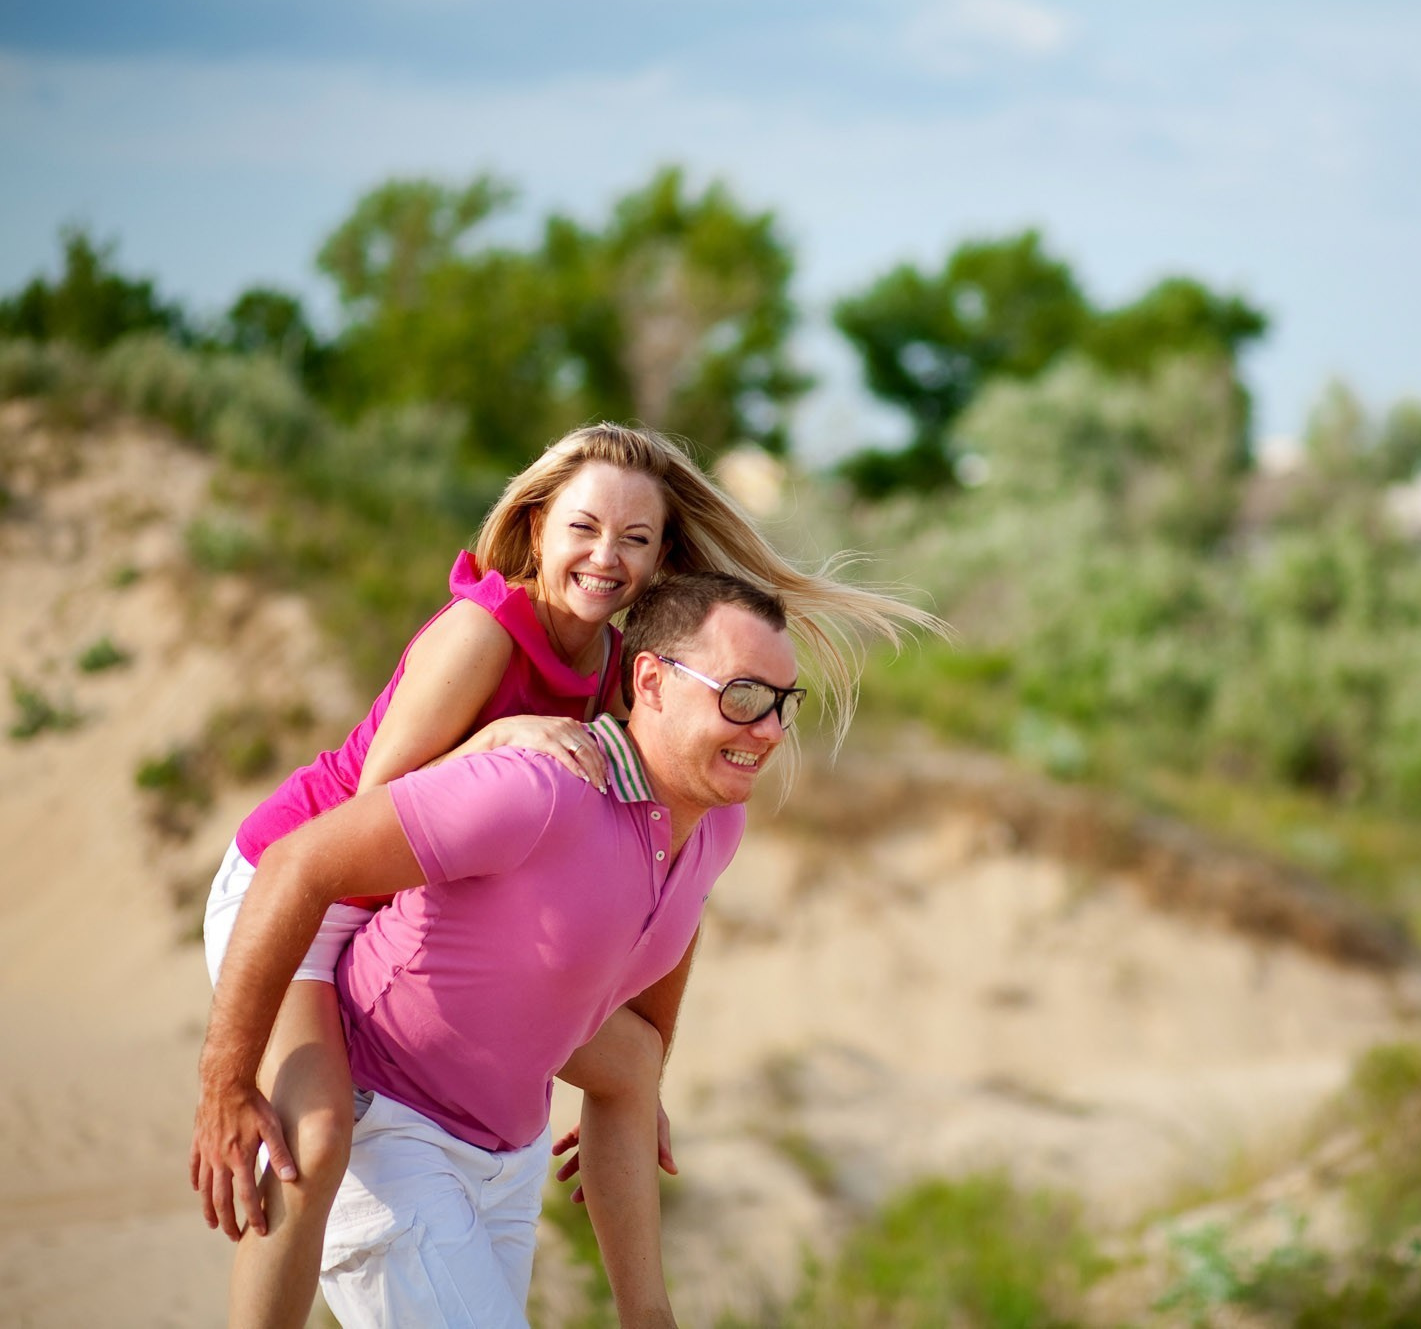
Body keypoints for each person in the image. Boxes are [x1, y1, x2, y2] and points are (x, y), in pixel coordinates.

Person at [195, 422, 931, 1328]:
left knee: (611, 1052)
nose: (606, 557)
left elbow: (664, 865)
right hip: (300, 877)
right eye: (584, 527)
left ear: (662, 556)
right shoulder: (483, 632)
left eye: (636, 539)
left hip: (410, 894)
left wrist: (639, 1070)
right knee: (314, 1136)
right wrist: (493, 741)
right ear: (538, 524)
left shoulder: (623, 668)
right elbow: (370, 811)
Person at [195, 573, 799, 1328]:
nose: (769, 729)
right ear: (651, 680)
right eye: (742, 696)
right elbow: (293, 865)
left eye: (783, 703)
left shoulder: (714, 825)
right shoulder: (538, 789)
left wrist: (649, 1312)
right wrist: (225, 1079)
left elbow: (637, 1051)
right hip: (388, 1129)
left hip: (511, 1162)